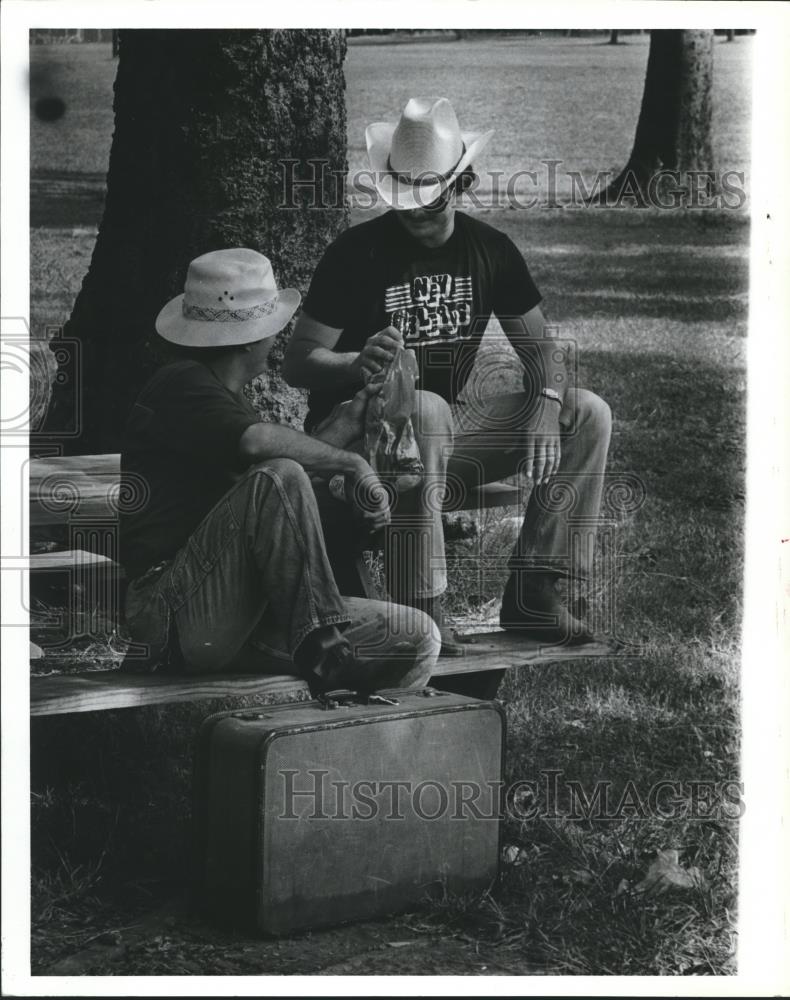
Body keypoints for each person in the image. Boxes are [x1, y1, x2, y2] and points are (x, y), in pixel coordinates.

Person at [283, 97, 613, 649]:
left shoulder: (491, 251)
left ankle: (536, 593)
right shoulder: (355, 254)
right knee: (429, 409)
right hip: (360, 450)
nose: (415, 212)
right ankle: (423, 612)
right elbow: (298, 362)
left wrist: (547, 402)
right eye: (405, 200)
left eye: (430, 200)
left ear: (462, 185)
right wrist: (351, 362)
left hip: (441, 440)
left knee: (587, 412)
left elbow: (543, 349)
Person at [119, 248, 440, 692]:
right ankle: (327, 650)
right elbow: (267, 458)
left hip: (241, 615)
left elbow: (281, 498)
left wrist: (349, 422)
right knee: (282, 476)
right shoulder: (181, 382)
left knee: (415, 636)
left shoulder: (223, 400)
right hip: (172, 611)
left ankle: (356, 747)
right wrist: (352, 462)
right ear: (255, 336)